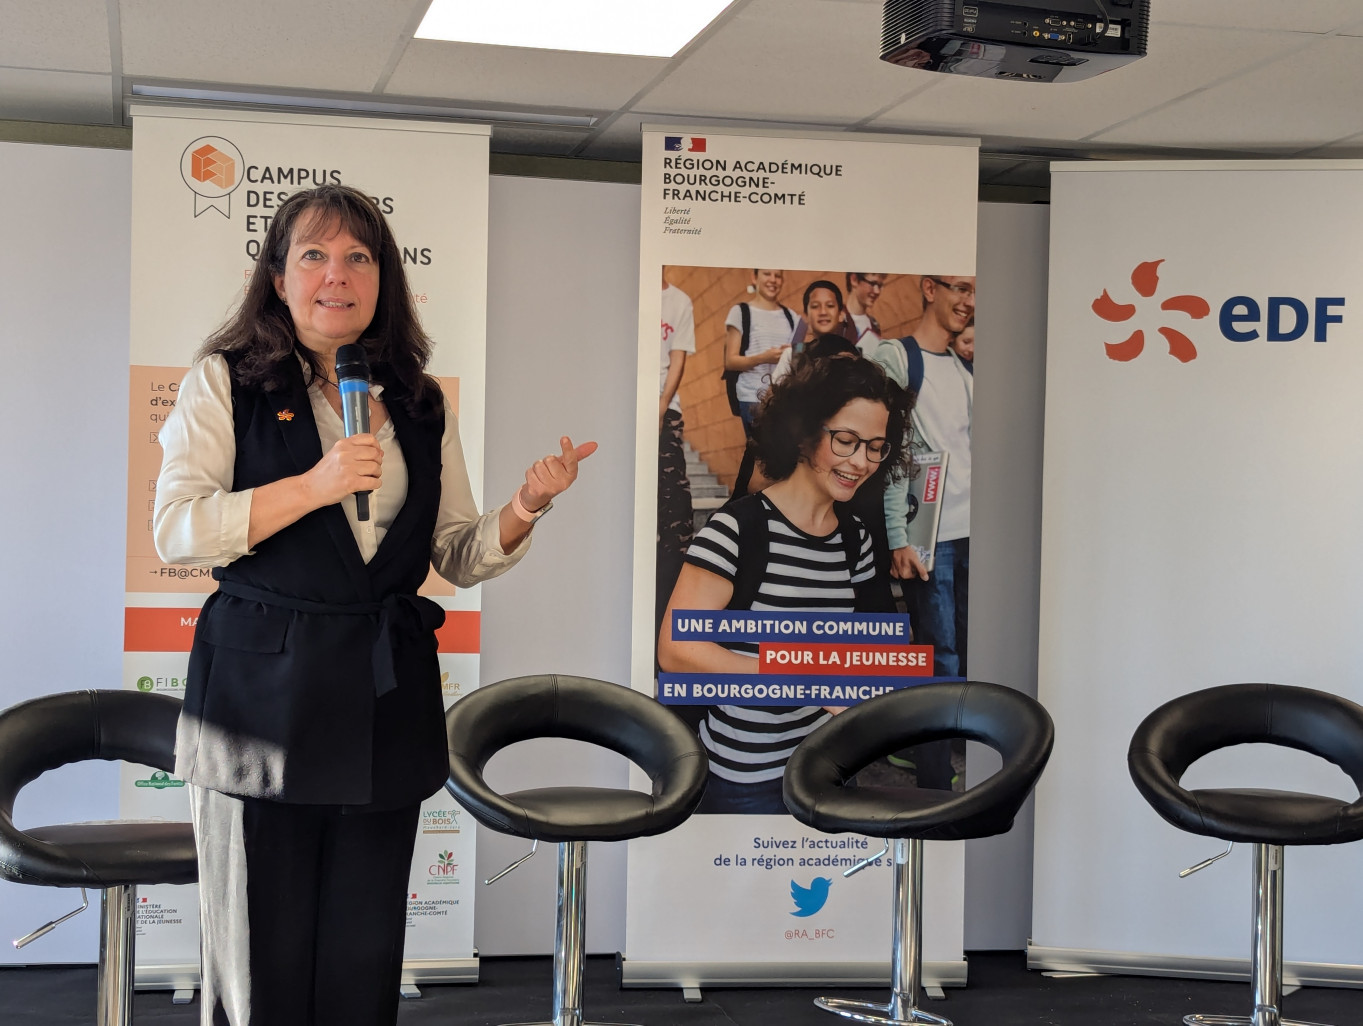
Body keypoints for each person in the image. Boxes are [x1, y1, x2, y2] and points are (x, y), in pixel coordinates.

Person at [153, 184, 595, 1026]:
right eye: (314, 256)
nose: (337, 275)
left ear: (383, 279)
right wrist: (312, 486)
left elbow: (454, 551)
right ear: (278, 279)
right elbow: (177, 530)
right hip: (261, 704)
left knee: (362, 948)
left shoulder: (420, 401)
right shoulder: (224, 381)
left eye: (359, 257)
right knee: (260, 952)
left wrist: (525, 508)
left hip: (381, 698)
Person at [658, 355, 911, 814]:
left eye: (876, 447)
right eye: (846, 441)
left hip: (828, 770)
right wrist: (802, 679)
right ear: (804, 432)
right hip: (745, 779)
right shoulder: (737, 529)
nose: (861, 462)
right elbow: (676, 650)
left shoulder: (854, 538)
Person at [869, 273, 974, 790]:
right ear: (930, 289)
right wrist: (897, 536)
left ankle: (968, 761)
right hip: (930, 536)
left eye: (974, 292)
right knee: (939, 656)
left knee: (971, 653)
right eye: (959, 288)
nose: (968, 301)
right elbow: (893, 453)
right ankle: (935, 779)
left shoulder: (963, 368)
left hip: (976, 533)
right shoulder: (896, 358)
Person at [658, 269, 696, 641]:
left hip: (664, 408)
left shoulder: (679, 301)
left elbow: (678, 358)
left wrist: (661, 404)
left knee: (675, 510)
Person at [723, 268, 797, 433]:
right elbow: (731, 361)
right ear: (754, 277)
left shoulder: (791, 316)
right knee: (762, 447)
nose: (773, 280)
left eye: (778, 276)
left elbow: (797, 358)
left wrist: (791, 352)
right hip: (752, 397)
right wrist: (763, 358)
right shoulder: (741, 312)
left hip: (784, 399)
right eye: (767, 274)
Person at [845, 272, 887, 354]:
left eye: (880, 285)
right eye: (873, 283)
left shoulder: (874, 325)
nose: (877, 291)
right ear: (854, 279)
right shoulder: (836, 320)